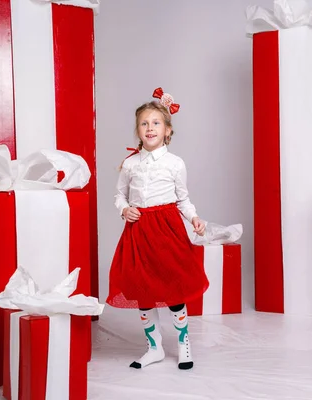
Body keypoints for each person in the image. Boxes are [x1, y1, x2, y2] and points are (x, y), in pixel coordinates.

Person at [106, 87, 209, 370]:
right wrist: (124, 209)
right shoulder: (130, 164)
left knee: (174, 289)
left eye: (156, 123)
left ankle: (183, 344)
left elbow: (183, 199)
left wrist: (194, 218)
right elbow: (119, 195)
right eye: (144, 123)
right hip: (139, 231)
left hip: (167, 231)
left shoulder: (176, 164)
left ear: (167, 131)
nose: (149, 128)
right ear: (137, 130)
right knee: (144, 290)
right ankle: (154, 348)